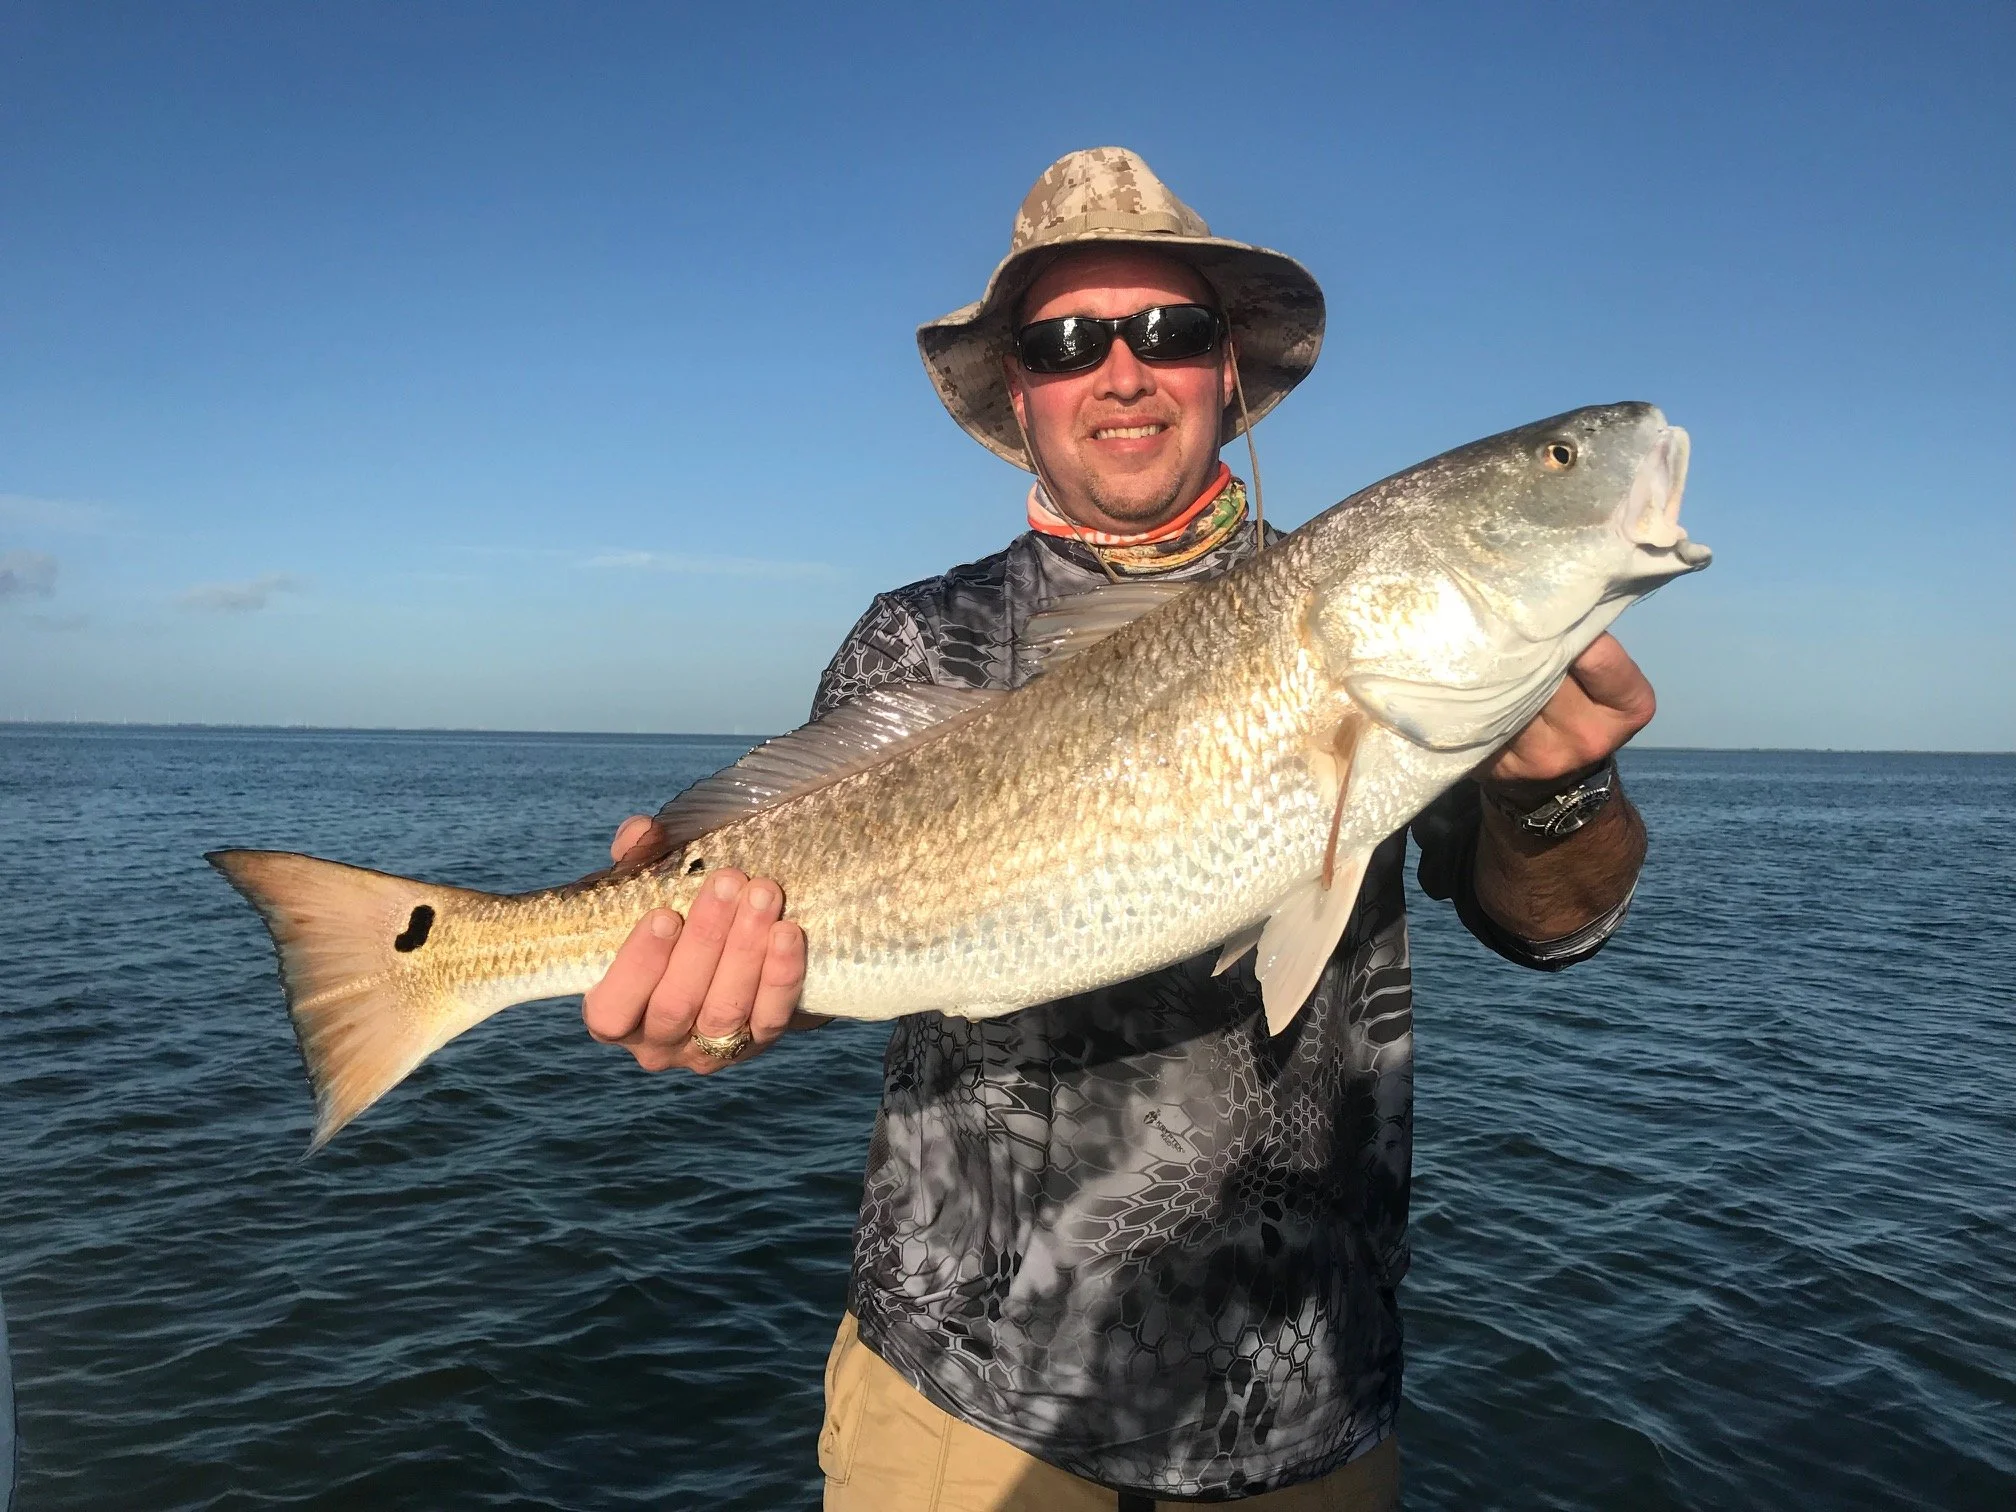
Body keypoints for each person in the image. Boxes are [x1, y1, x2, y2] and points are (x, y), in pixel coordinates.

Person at [581, 149, 1656, 1510]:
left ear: (1227, 370)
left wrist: (1554, 792)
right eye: (1069, 341)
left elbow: (1548, 926)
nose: (1124, 370)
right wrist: (715, 1001)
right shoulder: (920, 641)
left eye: (1170, 331)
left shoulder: (1378, 613)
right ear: (1020, 391)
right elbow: (830, 945)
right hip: (966, 1404)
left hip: (1304, 1395)